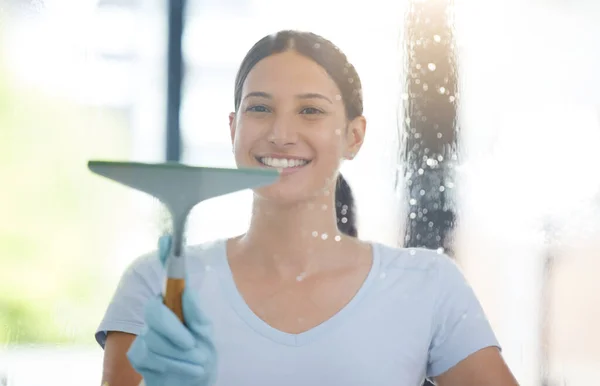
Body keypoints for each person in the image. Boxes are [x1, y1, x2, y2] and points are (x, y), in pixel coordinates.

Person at [97, 30, 519, 386]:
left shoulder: (429, 286)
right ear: (233, 128)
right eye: (260, 108)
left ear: (354, 136)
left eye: (311, 111)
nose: (281, 133)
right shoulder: (158, 282)